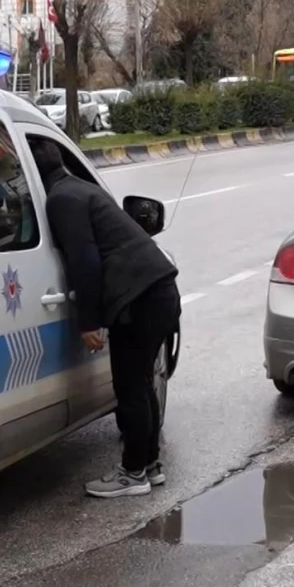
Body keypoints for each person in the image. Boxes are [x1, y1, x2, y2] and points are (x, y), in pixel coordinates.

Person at [30, 138, 180, 499]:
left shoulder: (61, 200)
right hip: (159, 291)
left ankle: (132, 473)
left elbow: (85, 261)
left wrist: (88, 322)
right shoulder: (81, 188)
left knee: (130, 386)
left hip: (139, 299)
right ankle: (149, 464)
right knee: (141, 382)